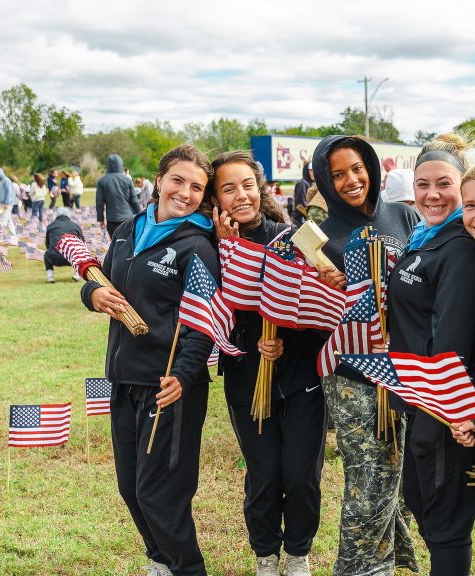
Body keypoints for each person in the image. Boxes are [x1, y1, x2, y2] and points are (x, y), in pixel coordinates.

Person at [80, 144, 219, 576]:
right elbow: (100, 281)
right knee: (130, 488)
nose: (186, 192)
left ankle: (187, 567)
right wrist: (92, 295)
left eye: (197, 187)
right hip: (122, 380)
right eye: (178, 180)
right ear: (158, 180)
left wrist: (183, 373)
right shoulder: (126, 231)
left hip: (168, 388)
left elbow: (204, 322)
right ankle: (160, 560)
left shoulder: (198, 246)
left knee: (161, 493)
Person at [202, 151, 326, 576]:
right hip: (245, 379)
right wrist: (250, 341)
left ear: (261, 188)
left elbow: (319, 310)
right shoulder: (209, 245)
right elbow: (207, 309)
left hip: (299, 380)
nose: (241, 195)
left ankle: (297, 555)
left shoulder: (292, 239)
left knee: (300, 475)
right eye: (228, 188)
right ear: (215, 198)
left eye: (247, 185)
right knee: (264, 475)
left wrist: (285, 341)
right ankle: (266, 556)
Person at [310, 135, 421, 576]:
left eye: (356, 168)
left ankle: (391, 563)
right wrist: (327, 287)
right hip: (352, 373)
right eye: (337, 174)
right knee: (369, 483)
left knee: (397, 482)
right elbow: (309, 308)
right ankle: (358, 570)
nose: (350, 180)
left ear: (371, 168)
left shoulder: (404, 215)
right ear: (324, 180)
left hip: (405, 370)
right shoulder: (321, 237)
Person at [387, 134, 475, 575]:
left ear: (463, 186)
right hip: (418, 394)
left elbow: (452, 338)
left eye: (443, 184)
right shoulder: (426, 235)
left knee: (446, 521)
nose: (431, 194)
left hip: (445, 401)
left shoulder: (459, 246)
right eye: (422, 184)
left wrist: (439, 410)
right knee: (422, 502)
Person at [97, 154, 142, 238]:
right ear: (121, 165)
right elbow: (134, 200)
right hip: (127, 219)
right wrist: (141, 214)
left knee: (115, 244)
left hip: (112, 219)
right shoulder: (127, 180)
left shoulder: (102, 181)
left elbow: (99, 202)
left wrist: (100, 219)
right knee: (127, 244)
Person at [44, 207, 83, 283]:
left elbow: (48, 244)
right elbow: (82, 244)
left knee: (47, 254)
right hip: (72, 258)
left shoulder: (51, 226)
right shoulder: (75, 226)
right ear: (68, 215)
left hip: (54, 257)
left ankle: (50, 277)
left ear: (57, 215)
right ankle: (77, 274)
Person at [0, 167, 18, 237]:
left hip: (7, 203)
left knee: (2, 220)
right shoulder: (2, 181)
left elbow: (9, 192)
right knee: (8, 219)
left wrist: (7, 203)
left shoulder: (6, 181)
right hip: (3, 203)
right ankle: (14, 234)